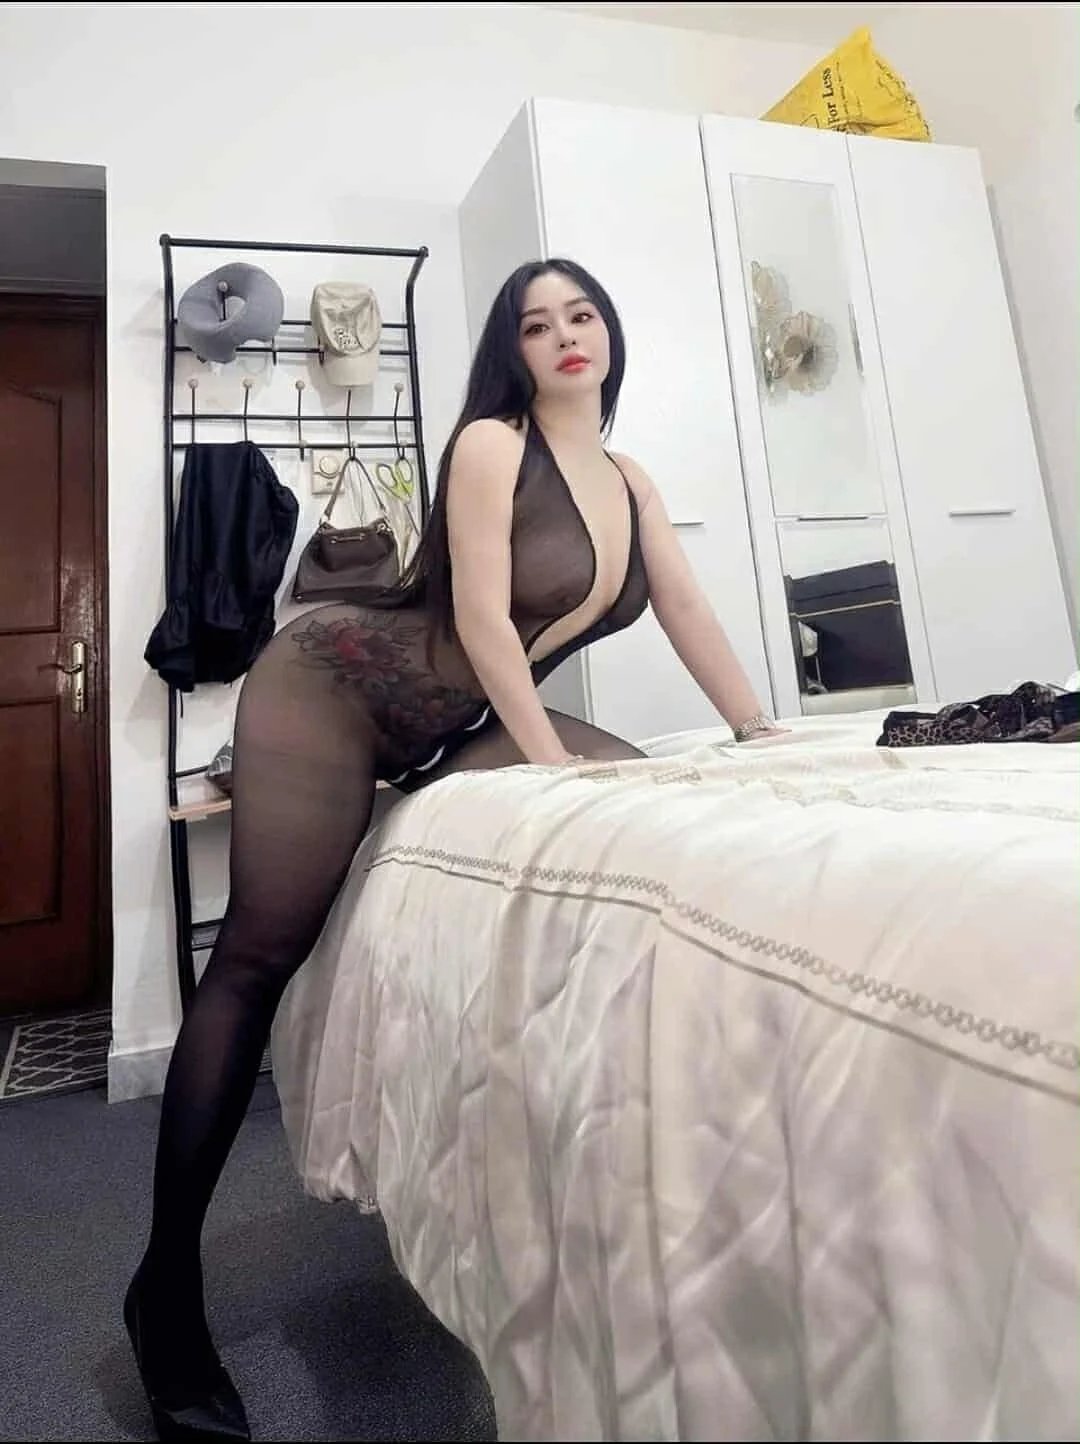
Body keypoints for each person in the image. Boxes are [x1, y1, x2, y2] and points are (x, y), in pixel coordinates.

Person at [124, 257, 782, 1440]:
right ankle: (164, 1288)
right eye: (536, 324)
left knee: (650, 803)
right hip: (338, 686)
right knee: (257, 957)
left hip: (464, 718)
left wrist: (757, 729)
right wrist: (547, 759)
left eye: (582, 313)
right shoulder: (490, 444)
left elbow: (686, 608)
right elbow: (483, 618)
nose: (565, 334)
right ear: (511, 351)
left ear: (610, 331)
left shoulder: (631, 479)